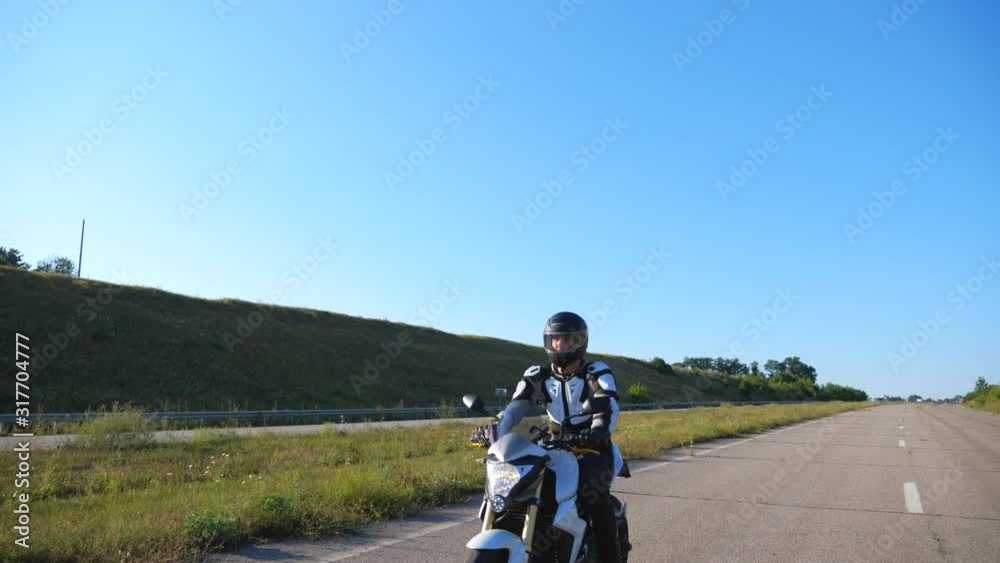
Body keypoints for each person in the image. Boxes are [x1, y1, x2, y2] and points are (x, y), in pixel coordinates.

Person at [472, 311, 623, 563]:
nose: (561, 345)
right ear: (547, 342)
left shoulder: (596, 372)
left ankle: (610, 557)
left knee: (593, 497)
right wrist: (493, 431)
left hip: (592, 448)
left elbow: (607, 405)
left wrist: (597, 432)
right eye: (555, 339)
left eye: (567, 340)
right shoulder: (537, 376)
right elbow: (515, 409)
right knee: (522, 488)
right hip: (553, 445)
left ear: (580, 342)